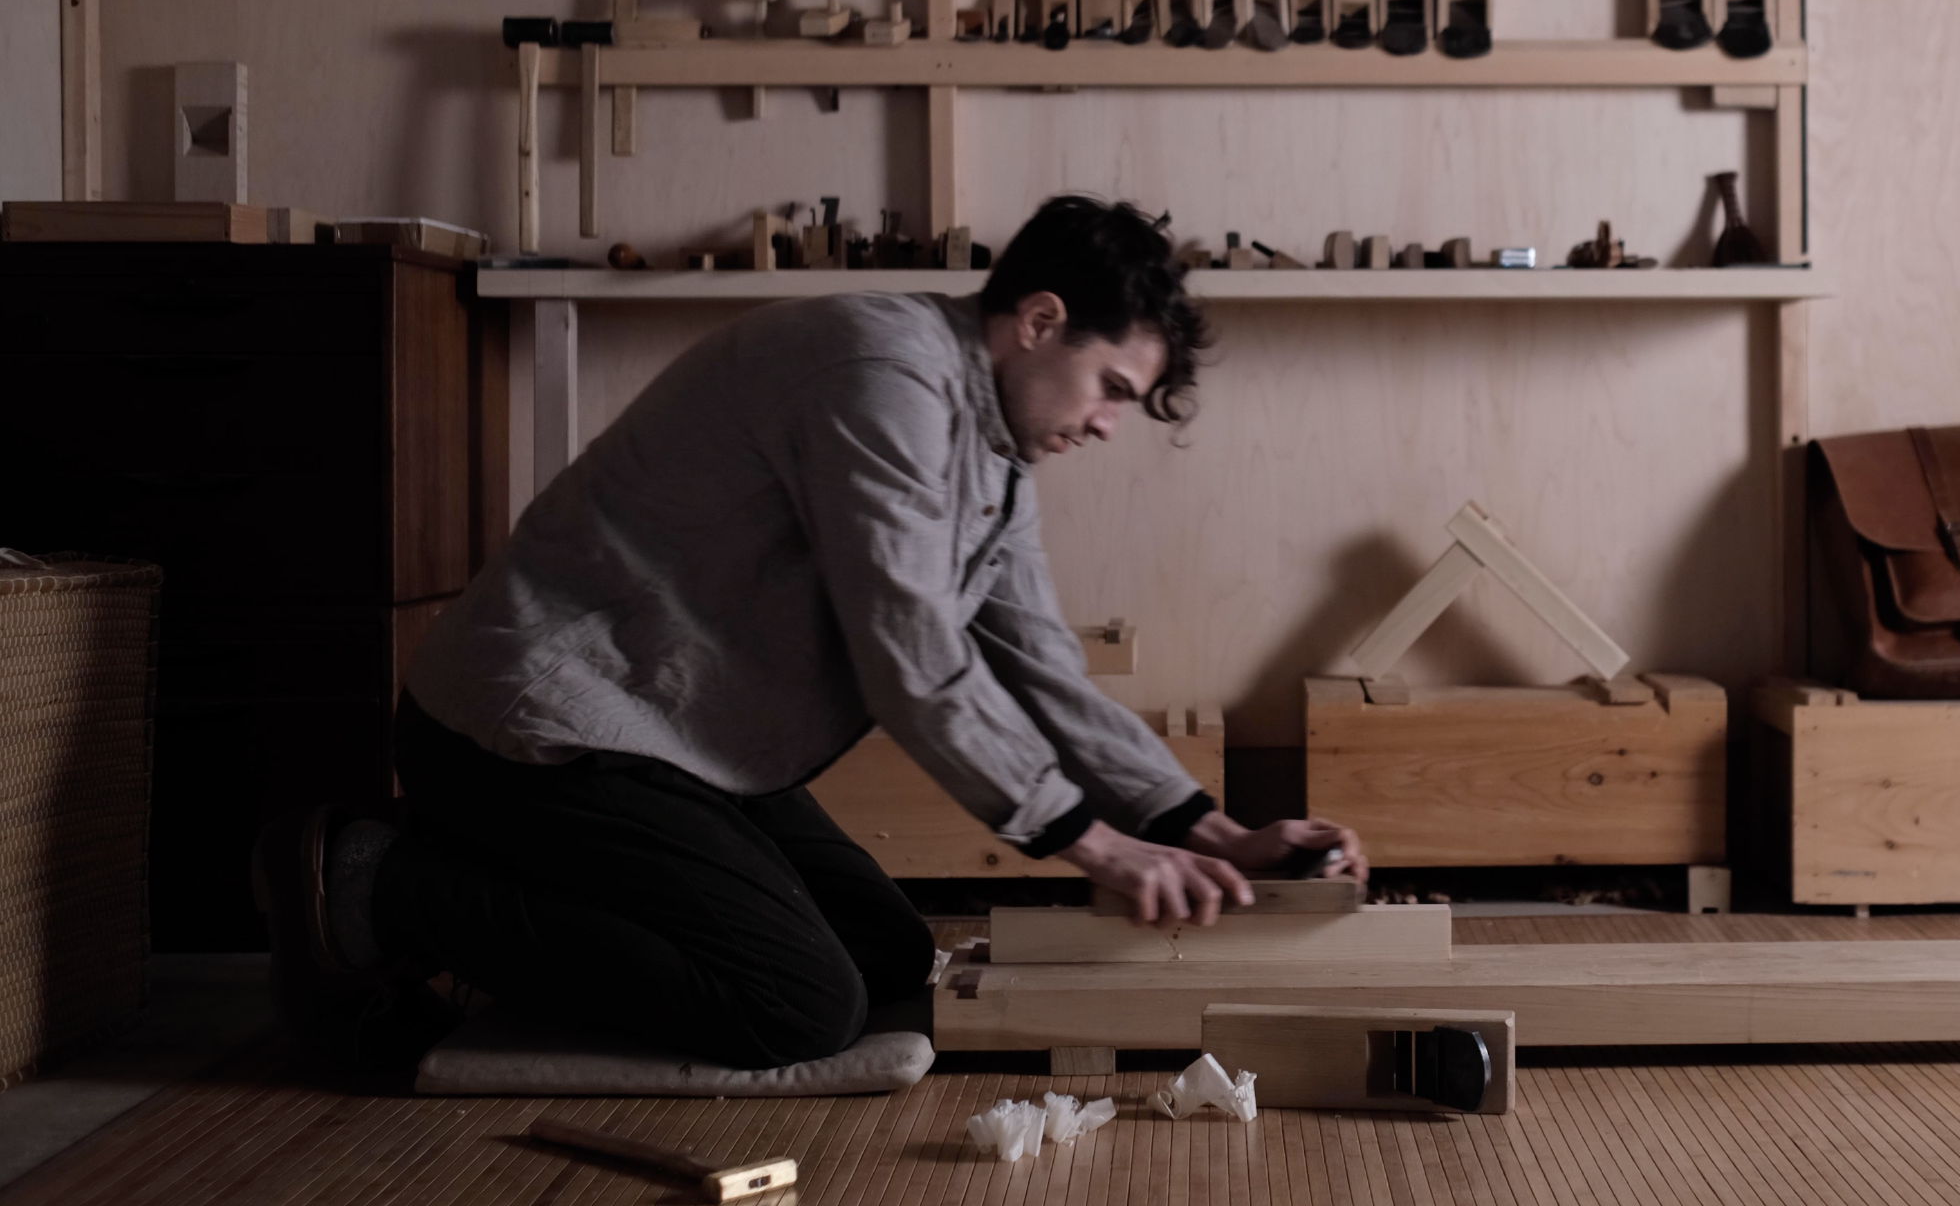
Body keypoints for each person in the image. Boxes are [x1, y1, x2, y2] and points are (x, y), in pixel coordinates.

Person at [255, 196, 1366, 1070]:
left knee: (887, 961)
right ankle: (380, 882)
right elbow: (913, 659)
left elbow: (1043, 672)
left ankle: (518, 895)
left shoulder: (994, 444)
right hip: (536, 727)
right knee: (796, 1002)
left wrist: (1214, 831)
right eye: (1109, 387)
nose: (1106, 423)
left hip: (675, 738)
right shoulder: (880, 373)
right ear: (1038, 321)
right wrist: (1097, 845)